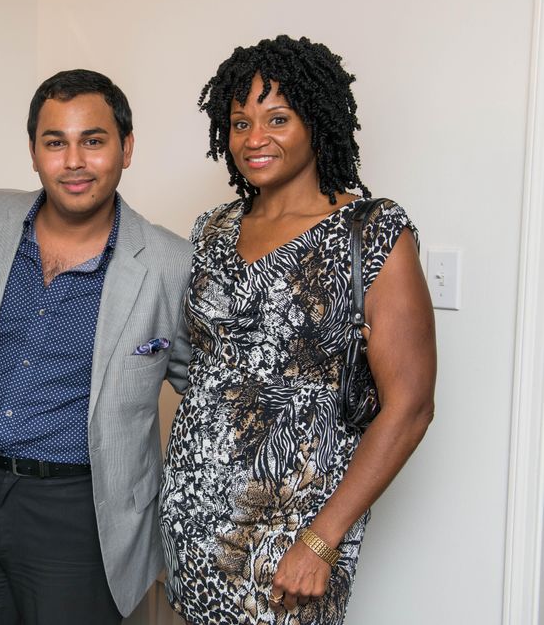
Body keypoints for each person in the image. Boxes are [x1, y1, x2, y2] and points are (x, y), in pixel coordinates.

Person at [159, 35, 436, 624]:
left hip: (293, 526)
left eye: (277, 119)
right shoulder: (212, 229)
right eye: (240, 123)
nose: (254, 138)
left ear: (316, 121)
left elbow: (410, 406)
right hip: (191, 511)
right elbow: (201, 364)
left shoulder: (371, 231)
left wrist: (321, 540)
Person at [0, 69, 192, 624]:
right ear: (34, 152)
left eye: (93, 141)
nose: (74, 161)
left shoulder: (170, 265)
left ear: (126, 148)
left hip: (83, 515)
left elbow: (208, 394)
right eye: (55, 143)